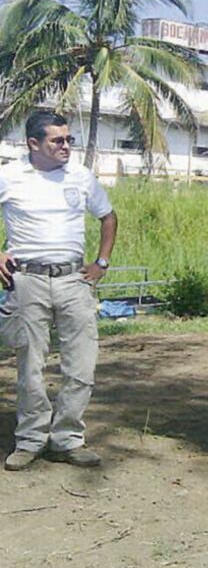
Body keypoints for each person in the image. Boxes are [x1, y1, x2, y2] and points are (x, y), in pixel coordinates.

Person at [0, 112, 118, 471]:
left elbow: (108, 217)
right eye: (58, 140)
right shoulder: (9, 176)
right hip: (27, 280)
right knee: (30, 364)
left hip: (74, 280)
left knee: (81, 363)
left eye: (69, 139)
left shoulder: (80, 176)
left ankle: (68, 438)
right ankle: (31, 439)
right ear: (33, 144)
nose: (66, 146)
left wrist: (101, 263)